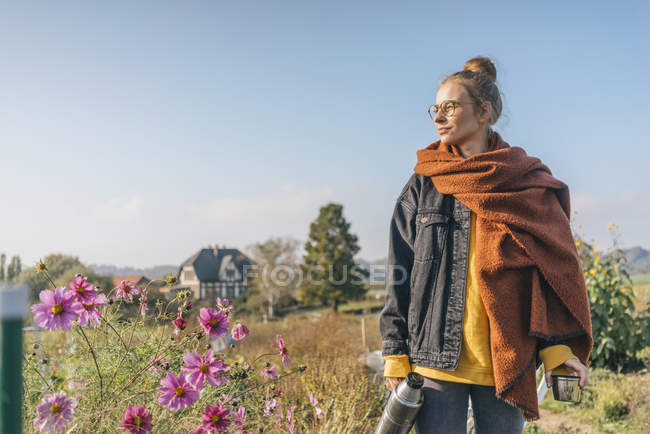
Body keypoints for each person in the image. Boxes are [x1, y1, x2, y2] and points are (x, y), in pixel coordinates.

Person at [379, 56, 593, 433]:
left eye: (449, 106)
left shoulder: (522, 183)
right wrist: (396, 352)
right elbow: (400, 275)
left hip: (506, 362)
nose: (438, 116)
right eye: (435, 107)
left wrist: (557, 351)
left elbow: (549, 275)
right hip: (434, 363)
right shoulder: (424, 185)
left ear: (483, 112)